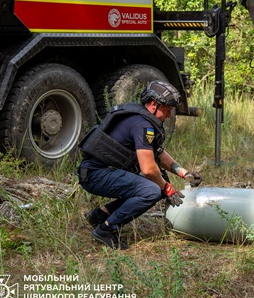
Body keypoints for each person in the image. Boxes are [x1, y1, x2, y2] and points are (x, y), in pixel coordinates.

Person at [78, 80, 202, 250]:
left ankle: (100, 215)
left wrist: (183, 173)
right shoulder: (143, 125)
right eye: (167, 110)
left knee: (157, 185)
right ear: (153, 104)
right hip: (96, 175)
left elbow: (158, 153)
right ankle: (106, 229)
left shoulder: (140, 119)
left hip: (98, 172)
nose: (168, 115)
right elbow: (149, 169)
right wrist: (167, 188)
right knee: (152, 190)